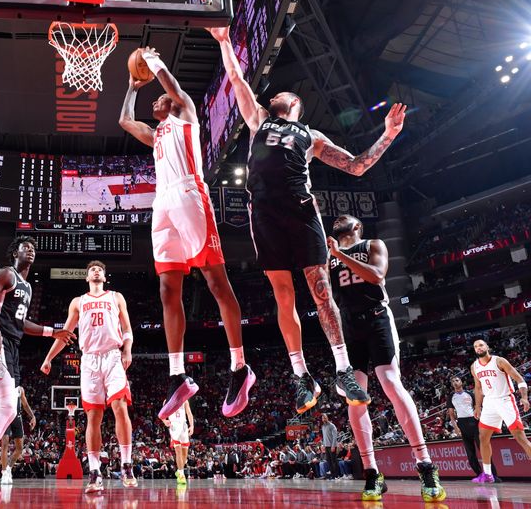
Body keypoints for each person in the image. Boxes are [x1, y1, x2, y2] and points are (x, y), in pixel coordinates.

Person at [208, 28, 409, 414]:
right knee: (283, 295)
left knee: (320, 292)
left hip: (301, 210)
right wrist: (222, 42)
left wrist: (388, 135)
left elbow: (356, 166)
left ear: (297, 105)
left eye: (286, 93)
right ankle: (301, 375)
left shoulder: (311, 136)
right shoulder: (259, 121)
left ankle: (343, 369)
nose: (277, 93)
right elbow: (236, 80)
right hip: (264, 212)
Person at [119, 47, 255, 421]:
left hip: (189, 193)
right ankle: (177, 375)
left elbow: (175, 90)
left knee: (215, 281)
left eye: (160, 96)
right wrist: (133, 87)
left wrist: (156, 62)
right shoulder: (158, 133)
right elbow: (125, 122)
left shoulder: (186, 115)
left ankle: (240, 366)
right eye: (157, 97)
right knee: (167, 289)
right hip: (162, 203)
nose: (158, 99)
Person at [328, 215, 445, 502]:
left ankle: (425, 463)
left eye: (347, 217)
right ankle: (371, 472)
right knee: (354, 398)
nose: (339, 218)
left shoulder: (372, 244)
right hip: (349, 326)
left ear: (357, 226)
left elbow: (377, 276)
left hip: (377, 318)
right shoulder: (328, 253)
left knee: (391, 383)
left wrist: (339, 254)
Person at [0, 236, 75, 498]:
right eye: (24, 247)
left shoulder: (27, 287)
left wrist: (52, 332)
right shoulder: (6, 274)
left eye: (33, 248)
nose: (30, 250)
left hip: (9, 344)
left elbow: (20, 323)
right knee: (7, 405)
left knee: (9, 409)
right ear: (14, 253)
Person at [41, 260, 138, 493]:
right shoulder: (78, 302)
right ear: (87, 278)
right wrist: (48, 358)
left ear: (104, 277)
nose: (96, 271)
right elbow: (65, 334)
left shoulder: (116, 297)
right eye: (92, 270)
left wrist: (127, 350)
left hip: (113, 357)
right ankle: (94, 473)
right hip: (90, 360)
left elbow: (127, 329)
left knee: (120, 407)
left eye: (100, 270)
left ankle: (126, 464)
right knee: (93, 417)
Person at [471, 338, 531, 483]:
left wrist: (524, 397)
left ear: (487, 347)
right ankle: (487, 474)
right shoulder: (474, 366)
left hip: (505, 400)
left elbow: (519, 379)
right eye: (475, 346)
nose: (478, 348)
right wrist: (478, 406)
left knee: (520, 438)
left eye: (480, 345)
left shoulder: (499, 361)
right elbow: (478, 388)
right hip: (489, 403)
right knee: (483, 438)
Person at [447, 375, 499, 481]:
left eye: (456, 380)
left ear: (461, 381)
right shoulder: (451, 396)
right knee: (470, 454)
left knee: (483, 449)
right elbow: (451, 415)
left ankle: (493, 475)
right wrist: (456, 428)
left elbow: (477, 408)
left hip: (474, 422)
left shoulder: (470, 394)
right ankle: (480, 474)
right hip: (462, 423)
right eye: (452, 381)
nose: (455, 382)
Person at [0, 385, 36, 484]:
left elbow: (25, 404)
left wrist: (33, 416)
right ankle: (4, 473)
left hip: (17, 418)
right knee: (4, 444)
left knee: (20, 448)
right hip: (5, 417)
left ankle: (8, 469)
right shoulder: (3, 386)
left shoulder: (20, 389)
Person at [162, 399, 194, 485]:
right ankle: (181, 474)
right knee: (178, 451)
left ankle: (179, 471)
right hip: (174, 426)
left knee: (185, 454)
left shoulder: (185, 400)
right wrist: (164, 421)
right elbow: (162, 414)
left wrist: (192, 426)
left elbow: (189, 413)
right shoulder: (167, 400)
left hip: (184, 425)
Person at [320, 414, 340, 480]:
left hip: (332, 446)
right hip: (326, 446)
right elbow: (324, 436)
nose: (324, 419)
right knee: (329, 461)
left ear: (327, 418)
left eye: (325, 418)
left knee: (334, 461)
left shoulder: (332, 425)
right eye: (323, 418)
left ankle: (337, 475)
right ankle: (332, 474)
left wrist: (333, 446)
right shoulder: (323, 426)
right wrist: (323, 444)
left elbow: (335, 437)